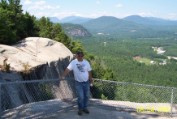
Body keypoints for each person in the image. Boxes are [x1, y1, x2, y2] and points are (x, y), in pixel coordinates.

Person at [61, 51, 93, 116]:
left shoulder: (86, 62)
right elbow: (67, 69)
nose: (80, 57)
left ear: (83, 56)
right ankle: (80, 109)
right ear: (76, 56)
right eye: (79, 56)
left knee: (86, 96)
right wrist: (63, 76)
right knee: (81, 97)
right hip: (78, 83)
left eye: (82, 56)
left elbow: (89, 72)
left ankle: (85, 108)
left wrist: (91, 80)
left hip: (86, 82)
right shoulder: (73, 62)